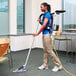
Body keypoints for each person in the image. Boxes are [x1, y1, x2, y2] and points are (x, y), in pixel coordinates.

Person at [33, 2, 62, 72]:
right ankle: (45, 65)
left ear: (45, 7)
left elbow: (43, 26)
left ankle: (58, 65)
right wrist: (40, 21)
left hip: (47, 34)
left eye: (41, 7)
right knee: (45, 51)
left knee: (49, 50)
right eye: (40, 7)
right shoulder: (44, 15)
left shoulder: (47, 15)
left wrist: (37, 33)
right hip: (44, 34)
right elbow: (44, 25)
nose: (40, 8)